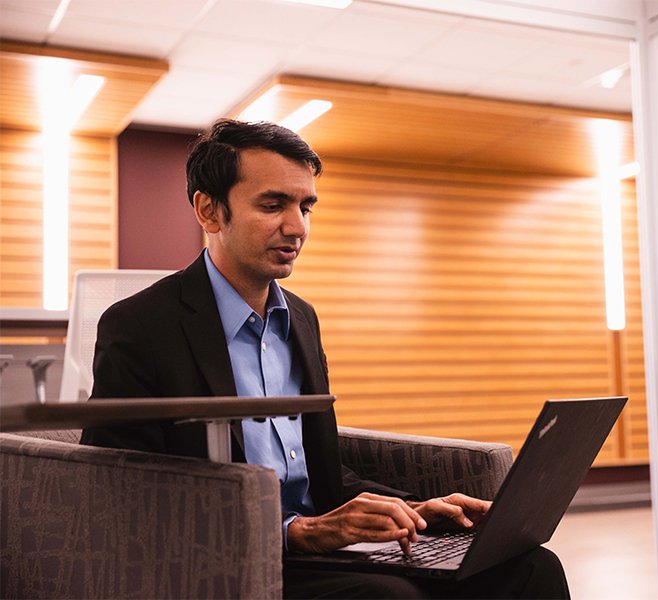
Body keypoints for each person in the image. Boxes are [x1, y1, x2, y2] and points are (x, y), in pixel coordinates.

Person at [81, 119, 569, 599]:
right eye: (273, 204)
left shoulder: (301, 319)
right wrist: (300, 532)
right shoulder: (140, 326)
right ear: (209, 211)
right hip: (229, 555)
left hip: (323, 550)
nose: (296, 227)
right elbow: (124, 492)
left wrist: (414, 507)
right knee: (388, 596)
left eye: (305, 206)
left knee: (530, 567)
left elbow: (317, 471)